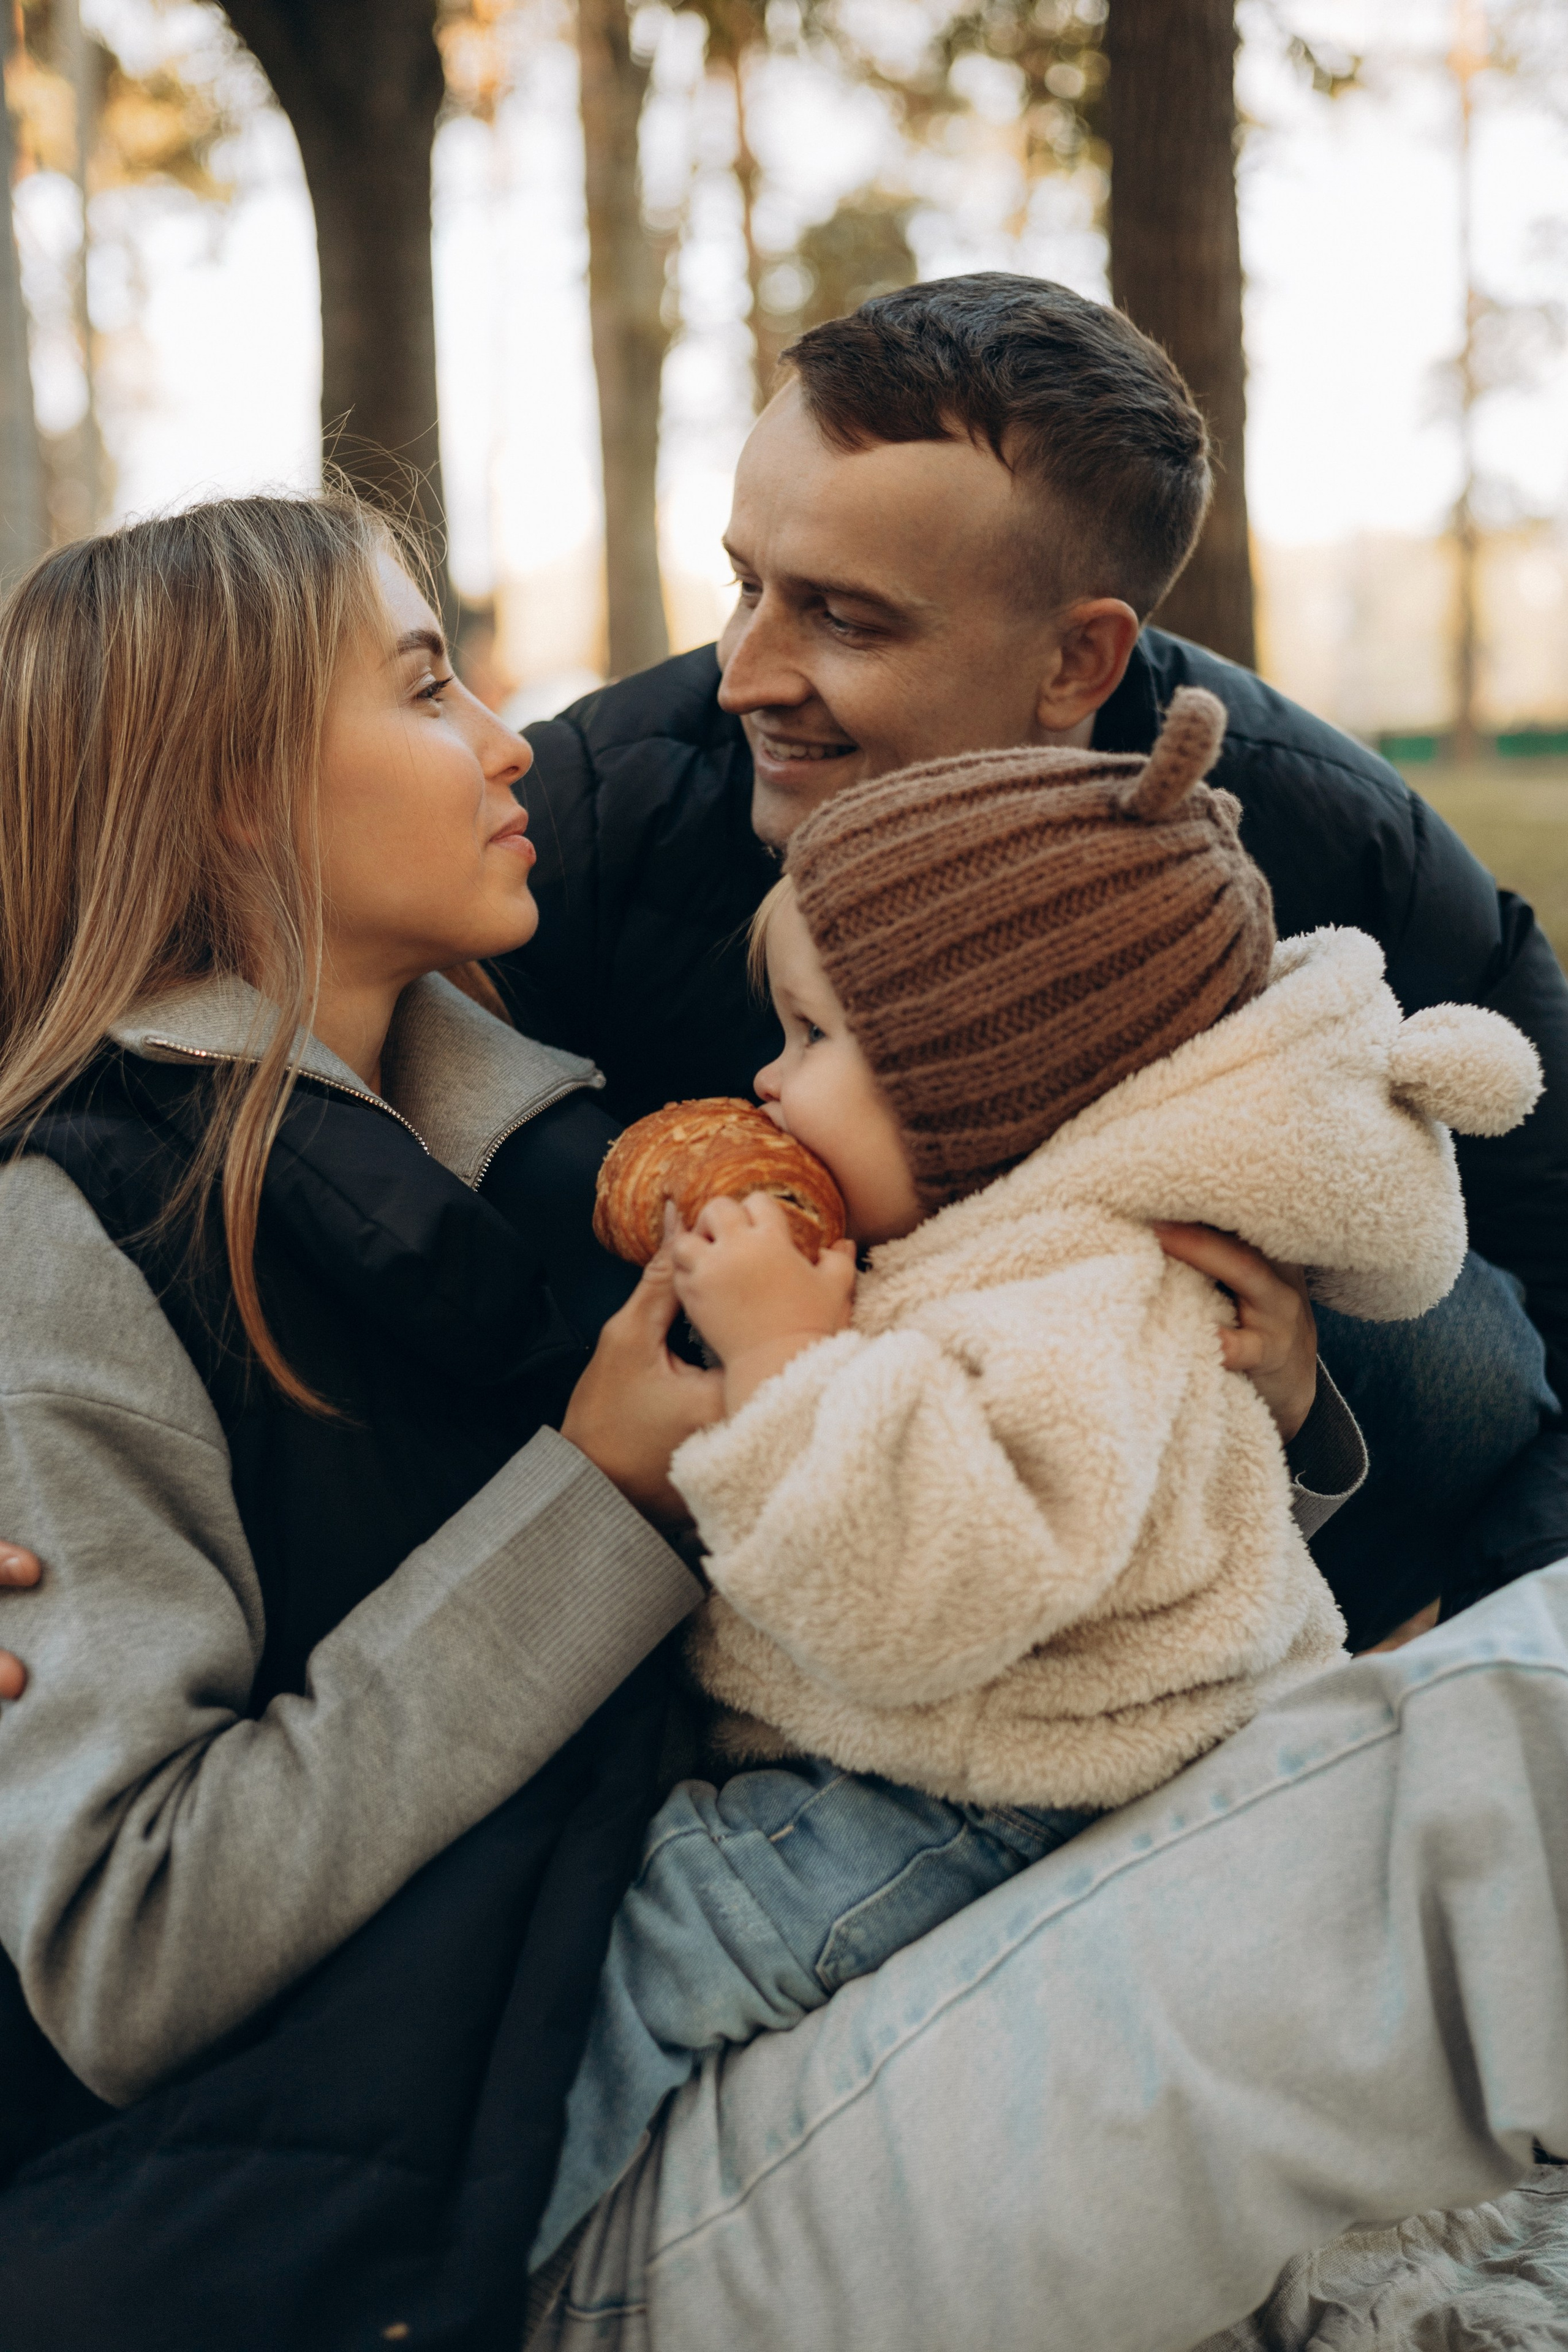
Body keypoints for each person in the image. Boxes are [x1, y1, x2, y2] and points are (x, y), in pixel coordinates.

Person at [529, 690, 1541, 2269]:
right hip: (982, 1745)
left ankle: (481, 2255)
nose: (771, 1086)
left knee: (644, 1948)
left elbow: (931, 1595)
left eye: (815, 1040)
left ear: (985, 1081)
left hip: (983, 1793)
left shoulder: (1082, 1296)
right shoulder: (1013, 1235)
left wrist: (793, 1369)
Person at [499, 271, 1567, 1651]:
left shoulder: (1316, 827)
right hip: (758, 1533)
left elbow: (1550, 1222)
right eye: (744, 584)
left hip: (1221, 1505)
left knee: (1446, 1327)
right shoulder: (598, 815)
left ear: (1079, 660)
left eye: (842, 617)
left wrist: (1483, 1621)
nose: (740, 673)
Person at [0, 493, 720, 2340]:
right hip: (389, 2191)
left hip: (631, 1995)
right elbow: (127, 1939)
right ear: (233, 786)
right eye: (424, 687)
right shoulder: (71, 1237)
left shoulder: (573, 1147)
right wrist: (600, 1503)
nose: (506, 743)